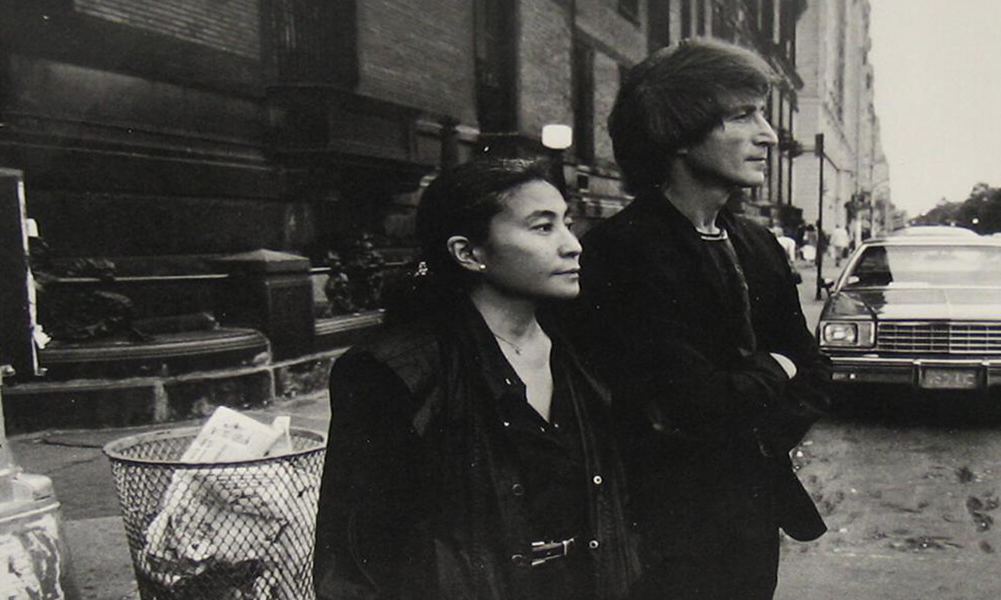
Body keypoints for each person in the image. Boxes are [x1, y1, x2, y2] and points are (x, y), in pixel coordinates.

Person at [570, 38, 830, 599]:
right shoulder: (621, 254)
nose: (768, 134)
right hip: (661, 527)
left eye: (762, 113)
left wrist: (767, 401)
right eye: (743, 116)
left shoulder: (758, 243)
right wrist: (774, 373)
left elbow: (814, 369)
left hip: (754, 511)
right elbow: (685, 404)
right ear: (677, 133)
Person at [314, 157, 639, 600]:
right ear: (468, 253)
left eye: (567, 223)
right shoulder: (395, 371)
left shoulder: (584, 352)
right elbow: (353, 560)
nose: (572, 245)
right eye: (543, 227)